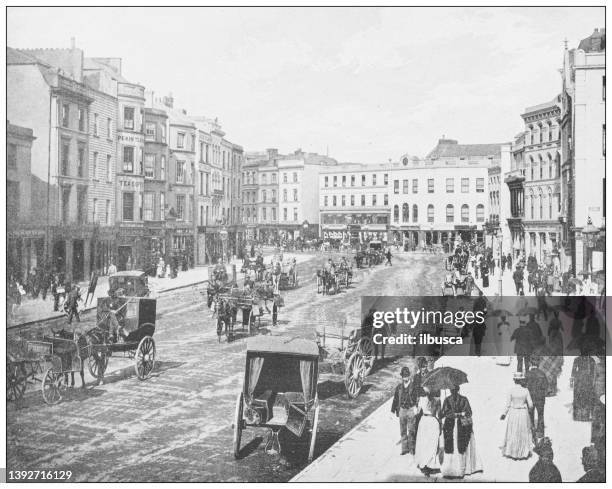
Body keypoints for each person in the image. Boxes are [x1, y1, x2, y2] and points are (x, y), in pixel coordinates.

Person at [440, 384, 482, 479]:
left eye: (455, 390)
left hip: (461, 426)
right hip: (450, 426)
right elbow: (445, 413)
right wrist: (456, 413)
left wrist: (460, 414)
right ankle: (450, 469)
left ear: (458, 390)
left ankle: (460, 469)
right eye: (452, 390)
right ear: (450, 391)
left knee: (460, 446)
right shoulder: (447, 400)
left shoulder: (463, 399)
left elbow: (469, 412)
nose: (453, 392)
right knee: (451, 447)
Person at [501, 372, 534, 460]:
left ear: (514, 380)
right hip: (523, 413)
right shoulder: (526, 390)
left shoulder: (511, 390)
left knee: (513, 431)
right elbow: (531, 405)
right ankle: (523, 452)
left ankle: (512, 452)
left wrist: (504, 414)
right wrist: (529, 411)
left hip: (514, 413)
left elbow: (508, 405)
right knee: (523, 431)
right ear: (521, 380)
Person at [391, 366, 419, 455]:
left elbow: (418, 398)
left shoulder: (414, 386)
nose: (405, 377)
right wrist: (392, 411)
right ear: (402, 376)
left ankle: (412, 449)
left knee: (411, 430)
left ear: (409, 375)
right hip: (402, 410)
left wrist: (416, 407)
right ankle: (404, 449)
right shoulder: (399, 387)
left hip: (411, 410)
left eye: (406, 375)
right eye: (403, 376)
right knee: (403, 430)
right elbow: (395, 399)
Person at [415, 386, 441, 477]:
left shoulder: (437, 400)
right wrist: (417, 405)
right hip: (425, 421)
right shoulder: (422, 399)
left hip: (432, 421)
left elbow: (439, 414)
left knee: (432, 444)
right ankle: (424, 464)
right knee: (424, 443)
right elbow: (417, 412)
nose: (428, 391)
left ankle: (429, 464)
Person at [525, 356, 548, 439]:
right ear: (539, 363)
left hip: (530, 398)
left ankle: (531, 431)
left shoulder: (527, 374)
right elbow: (546, 387)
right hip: (540, 399)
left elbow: (524, 386)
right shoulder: (542, 374)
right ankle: (540, 433)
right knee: (541, 415)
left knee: (530, 415)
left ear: (531, 363)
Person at [571, 353, 596, 421]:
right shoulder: (591, 360)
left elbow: (573, 372)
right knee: (584, 397)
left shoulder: (578, 359)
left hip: (582, 381)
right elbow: (593, 373)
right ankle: (583, 416)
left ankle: (579, 416)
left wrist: (575, 378)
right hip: (584, 381)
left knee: (581, 397)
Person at [472, 291, 487, 356]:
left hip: (476, 315)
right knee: (480, 340)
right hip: (481, 315)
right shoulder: (484, 301)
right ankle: (478, 351)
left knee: (476, 340)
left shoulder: (476, 300)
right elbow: (485, 310)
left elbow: (473, 308)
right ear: (482, 294)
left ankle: (476, 351)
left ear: (479, 294)